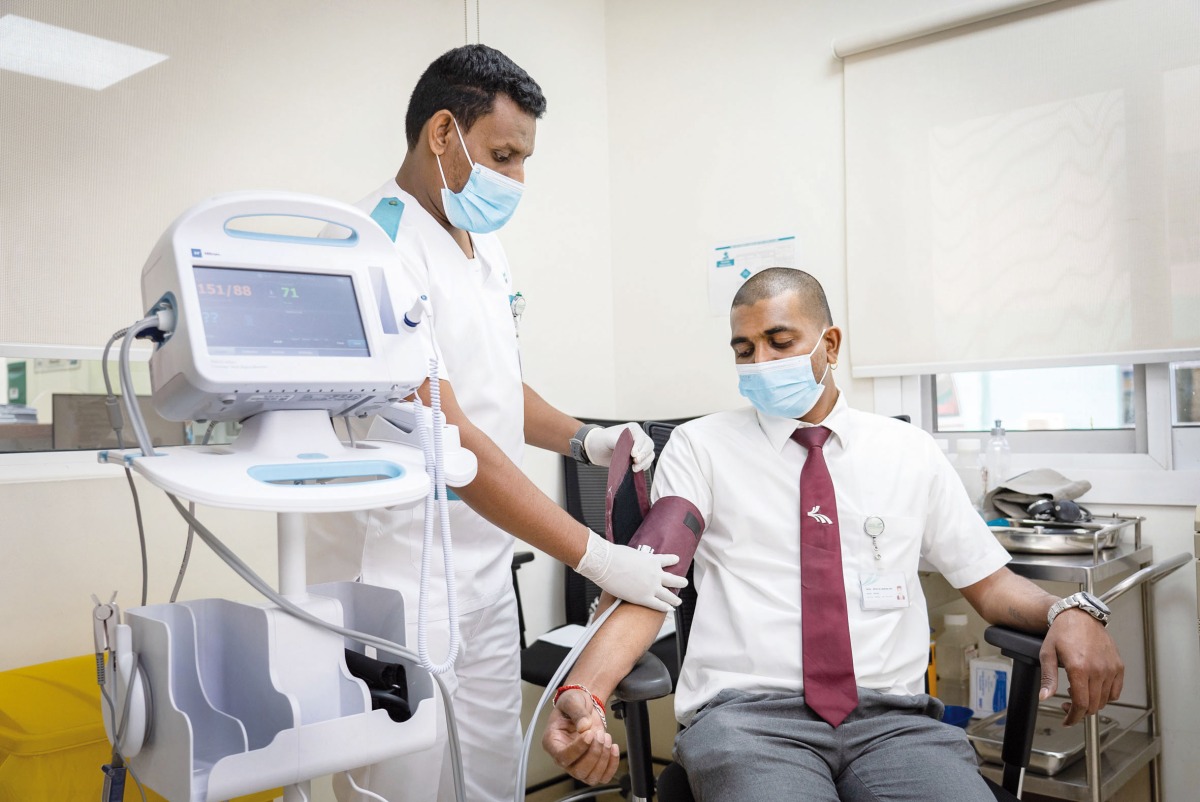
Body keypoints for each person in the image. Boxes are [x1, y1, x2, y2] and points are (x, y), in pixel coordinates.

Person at [542, 268, 1124, 801]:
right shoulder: (702, 447)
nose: (761, 361)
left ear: (831, 344)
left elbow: (990, 583)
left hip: (895, 724)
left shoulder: (908, 452)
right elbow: (652, 582)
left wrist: (1066, 610)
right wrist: (587, 692)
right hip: (750, 720)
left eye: (780, 341)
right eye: (744, 349)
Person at [305, 45, 685, 802]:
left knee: (489, 781)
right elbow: (451, 431)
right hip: (398, 584)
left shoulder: (482, 246)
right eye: (503, 155)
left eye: (523, 160)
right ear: (443, 133)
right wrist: (595, 557)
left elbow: (492, 388)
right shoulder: (372, 248)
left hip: (479, 576)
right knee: (405, 785)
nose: (515, 180)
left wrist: (585, 437)